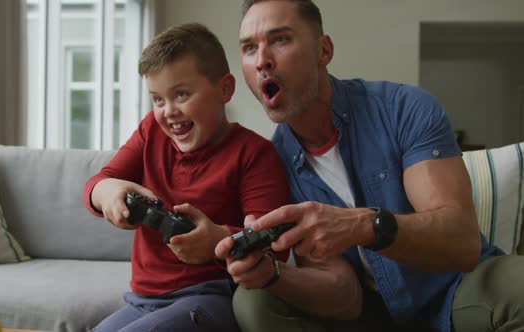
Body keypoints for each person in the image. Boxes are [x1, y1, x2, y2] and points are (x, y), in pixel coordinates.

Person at [214, 1, 524, 331]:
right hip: (369, 314)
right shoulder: (271, 164)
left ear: (324, 50)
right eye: (249, 48)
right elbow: (346, 297)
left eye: (280, 40)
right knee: (253, 302)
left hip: (454, 291)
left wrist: (363, 225)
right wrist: (273, 275)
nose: (262, 60)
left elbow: (460, 244)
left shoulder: (405, 109)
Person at [83, 22, 290, 332]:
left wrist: (218, 241)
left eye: (181, 94)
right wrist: (106, 191)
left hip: (212, 298)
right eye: (157, 99)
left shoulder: (254, 154)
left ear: (224, 89)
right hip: (143, 299)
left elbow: (276, 246)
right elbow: (98, 183)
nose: (168, 111)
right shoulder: (150, 132)